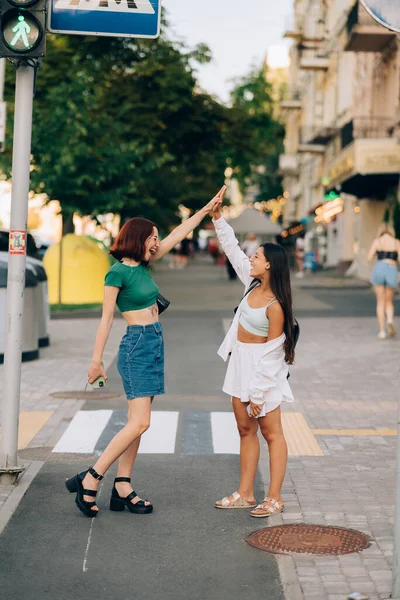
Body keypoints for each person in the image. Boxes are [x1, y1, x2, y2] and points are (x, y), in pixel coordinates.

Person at [65, 186, 227, 518]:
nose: (157, 241)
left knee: (138, 422)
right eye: (152, 237)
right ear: (137, 238)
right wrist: (96, 360)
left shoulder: (145, 265)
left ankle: (123, 485)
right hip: (136, 344)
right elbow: (106, 319)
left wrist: (207, 207)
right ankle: (91, 477)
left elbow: (181, 232)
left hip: (153, 342)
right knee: (139, 423)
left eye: (157, 237)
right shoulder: (117, 272)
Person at [211, 194, 295, 518]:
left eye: (257, 256)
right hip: (239, 364)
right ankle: (246, 493)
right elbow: (232, 249)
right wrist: (218, 218)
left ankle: (274, 496)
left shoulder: (276, 305)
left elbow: (273, 355)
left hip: (264, 373)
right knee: (245, 430)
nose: (252, 259)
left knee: (272, 434)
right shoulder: (250, 283)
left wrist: (259, 393)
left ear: (270, 264)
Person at [368, 222, 400, 339]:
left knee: (380, 302)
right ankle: (390, 319)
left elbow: (369, 257)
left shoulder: (378, 241)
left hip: (379, 268)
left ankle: (382, 331)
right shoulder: (396, 242)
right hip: (391, 268)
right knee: (389, 301)